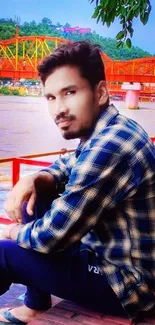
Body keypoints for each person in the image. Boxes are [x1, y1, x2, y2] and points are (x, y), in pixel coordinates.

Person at [0, 41, 155, 325]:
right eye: (50, 98)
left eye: (69, 93)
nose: (59, 109)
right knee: (40, 191)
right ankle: (35, 306)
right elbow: (67, 165)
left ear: (101, 92)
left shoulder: (110, 146)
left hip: (129, 286)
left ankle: (33, 304)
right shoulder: (109, 129)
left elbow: (50, 238)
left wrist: (11, 232)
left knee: (2, 254)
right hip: (110, 258)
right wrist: (34, 178)